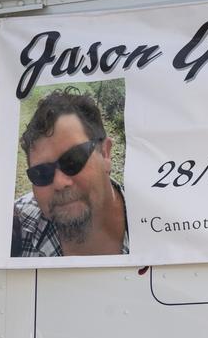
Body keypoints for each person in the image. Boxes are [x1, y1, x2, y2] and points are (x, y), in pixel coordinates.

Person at [13, 89, 129, 257]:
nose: (60, 183)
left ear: (105, 153)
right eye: (42, 173)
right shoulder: (14, 232)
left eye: (73, 160)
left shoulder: (160, 225)